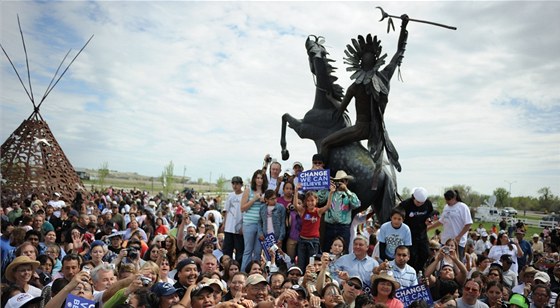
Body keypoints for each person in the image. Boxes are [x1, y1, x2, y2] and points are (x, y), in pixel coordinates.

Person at [319, 15, 409, 174]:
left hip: (360, 129)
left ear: (358, 64)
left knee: (325, 143)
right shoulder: (384, 77)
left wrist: (330, 99)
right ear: (376, 62)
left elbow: (341, 111)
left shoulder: (355, 86)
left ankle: (321, 179)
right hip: (377, 132)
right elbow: (399, 52)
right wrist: (403, 27)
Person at [321, 170, 361, 253]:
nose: (340, 183)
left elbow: (357, 204)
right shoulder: (330, 192)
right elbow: (320, 199)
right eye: (337, 181)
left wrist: (346, 190)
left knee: (343, 250)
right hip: (330, 226)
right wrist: (326, 187)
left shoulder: (349, 194)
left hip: (343, 228)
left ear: (346, 182)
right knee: (327, 249)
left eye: (342, 181)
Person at [429, 190, 473, 260]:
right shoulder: (446, 207)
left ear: (454, 197)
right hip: (445, 241)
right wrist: (428, 228)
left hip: (457, 243)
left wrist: (459, 236)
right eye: (446, 200)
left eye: (449, 199)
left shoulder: (462, 207)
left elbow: (468, 223)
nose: (447, 202)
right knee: (444, 262)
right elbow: (441, 221)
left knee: (456, 262)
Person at [398, 187, 434, 272]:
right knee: (412, 256)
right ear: (413, 197)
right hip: (409, 235)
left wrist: (429, 219)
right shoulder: (405, 204)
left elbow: (431, 213)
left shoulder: (428, 204)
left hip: (422, 234)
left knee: (425, 253)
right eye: (418, 202)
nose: (419, 204)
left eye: (422, 203)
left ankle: (420, 271)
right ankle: (411, 271)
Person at [295, 190, 329, 271]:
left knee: (312, 263)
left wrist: (331, 193)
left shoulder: (318, 211)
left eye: (312, 200)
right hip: (302, 240)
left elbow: (328, 206)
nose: (310, 203)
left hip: (314, 242)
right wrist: (296, 191)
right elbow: (295, 205)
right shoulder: (303, 211)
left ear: (316, 201)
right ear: (305, 202)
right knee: (301, 263)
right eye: (308, 201)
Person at [240, 169, 267, 272]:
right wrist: (254, 199)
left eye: (261, 178)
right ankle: (243, 273)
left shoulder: (265, 192)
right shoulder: (248, 190)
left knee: (258, 251)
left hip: (261, 225)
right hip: (249, 223)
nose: (259, 180)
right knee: (248, 250)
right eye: (258, 178)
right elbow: (242, 208)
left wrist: (264, 201)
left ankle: (256, 273)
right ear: (254, 179)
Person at [222, 176, 245, 265]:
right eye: (233, 183)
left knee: (239, 250)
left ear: (241, 184)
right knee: (227, 249)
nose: (235, 186)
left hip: (238, 227)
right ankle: (227, 266)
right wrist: (224, 224)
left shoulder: (244, 195)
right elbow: (226, 211)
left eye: (237, 183)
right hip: (229, 227)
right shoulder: (230, 196)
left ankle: (238, 267)